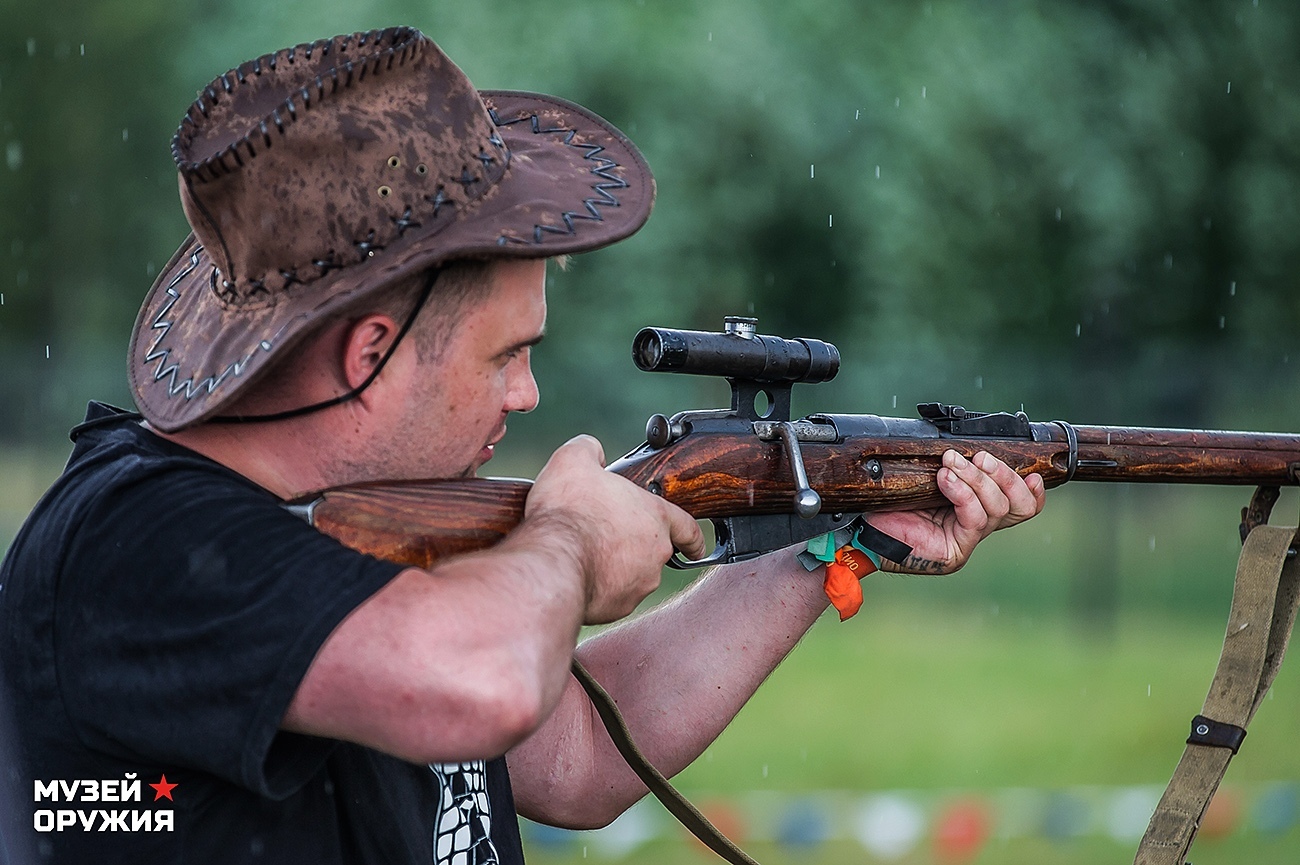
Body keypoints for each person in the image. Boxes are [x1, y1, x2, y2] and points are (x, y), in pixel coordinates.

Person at [0, 26, 1045, 865]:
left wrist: (831, 545)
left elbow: (576, 754)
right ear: (370, 352)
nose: (528, 391)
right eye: (507, 354)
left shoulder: (393, 521)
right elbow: (484, 682)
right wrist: (573, 540)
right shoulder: (132, 543)